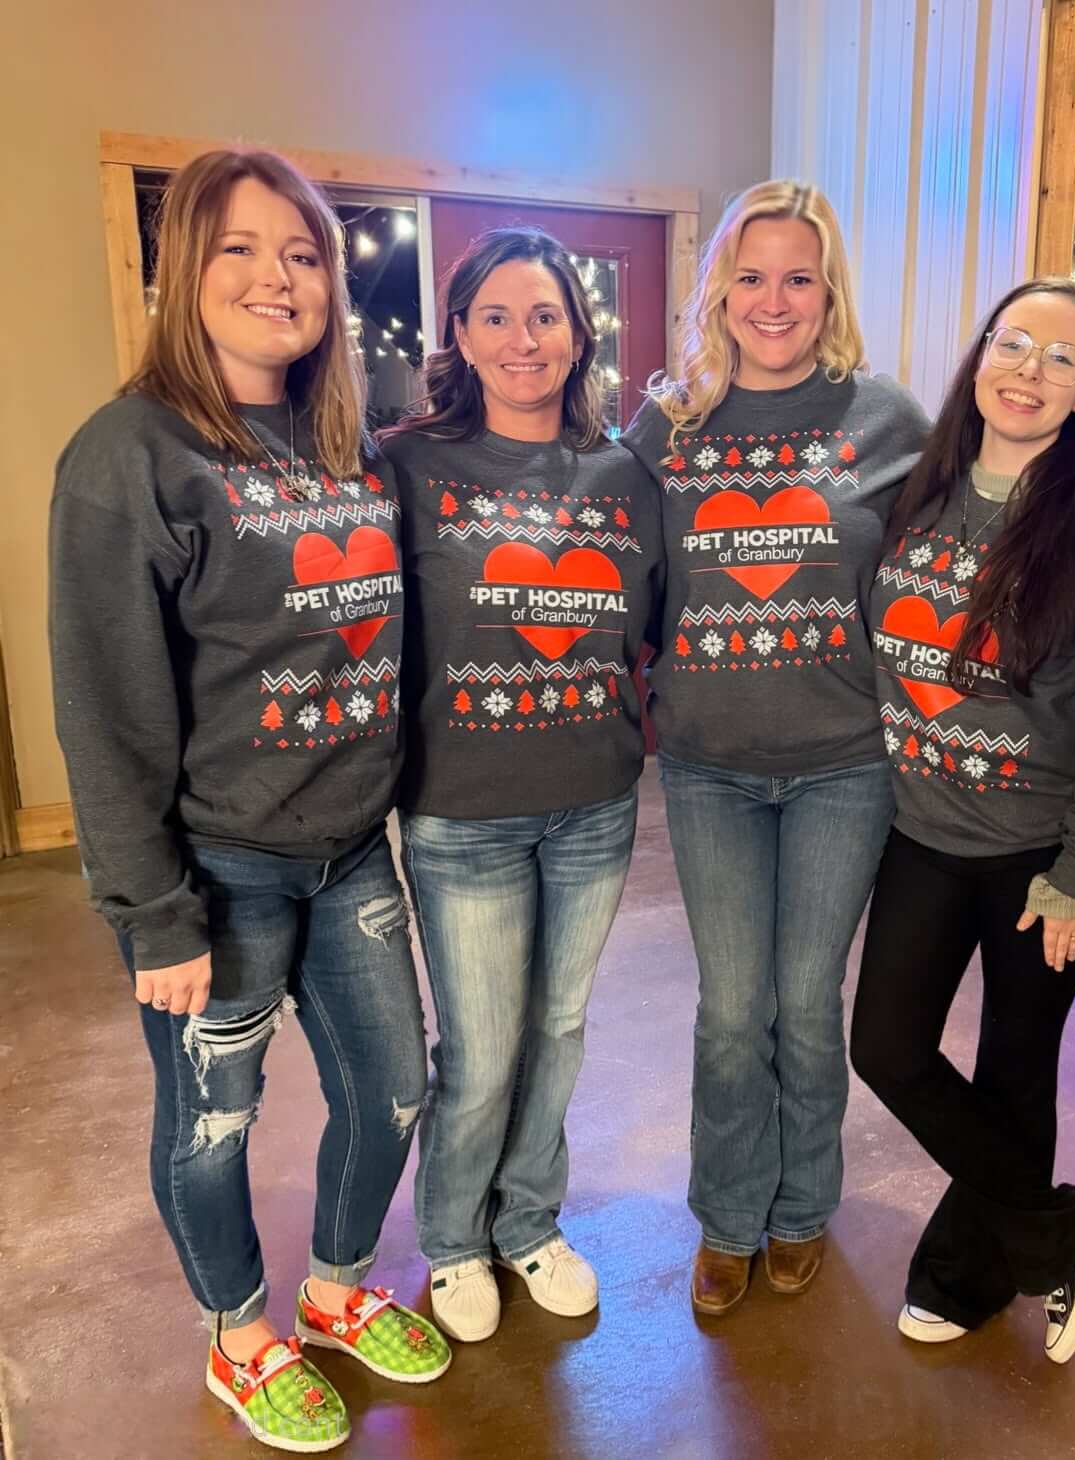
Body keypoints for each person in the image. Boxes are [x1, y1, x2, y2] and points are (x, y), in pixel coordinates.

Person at [49, 149, 450, 1454]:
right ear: (183, 272)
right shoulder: (131, 453)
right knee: (214, 1121)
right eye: (239, 248)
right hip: (218, 871)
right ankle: (238, 1335)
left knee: (393, 1088)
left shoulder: (348, 445)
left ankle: (334, 1290)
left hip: (352, 853)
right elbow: (104, 705)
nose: (276, 277)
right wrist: (152, 912)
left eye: (302, 253)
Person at [850, 277, 1075, 1365]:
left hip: (1046, 851)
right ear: (979, 356)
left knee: (1014, 1062)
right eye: (1012, 344)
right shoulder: (914, 492)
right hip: (922, 830)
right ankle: (1055, 1225)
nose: (1028, 371)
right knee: (887, 1047)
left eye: (1060, 358)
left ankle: (966, 1268)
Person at [623, 181, 929, 1315]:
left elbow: (953, 560)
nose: (773, 300)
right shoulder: (668, 428)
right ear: (718, 291)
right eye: (750, 277)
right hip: (709, 765)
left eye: (799, 277)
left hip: (845, 762)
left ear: (828, 290)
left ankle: (801, 1207)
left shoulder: (884, 419)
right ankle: (727, 1213)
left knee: (805, 1002)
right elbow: (623, 581)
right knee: (728, 1008)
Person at [381, 227, 663, 1343]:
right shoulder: (405, 467)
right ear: (458, 333)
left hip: (594, 803)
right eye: (494, 316)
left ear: (579, 334)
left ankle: (528, 1221)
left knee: (559, 1026)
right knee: (482, 1045)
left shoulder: (623, 475)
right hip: (461, 814)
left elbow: (654, 620)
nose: (522, 339)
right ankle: (455, 1238)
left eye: (544, 315)